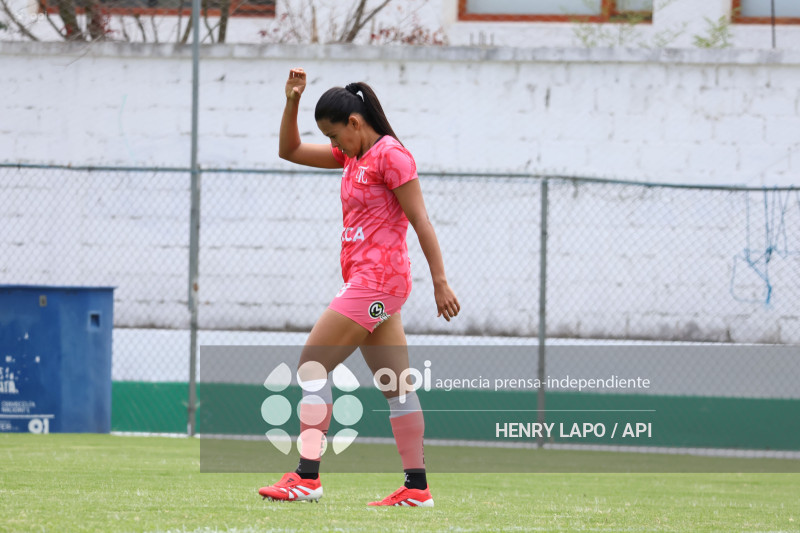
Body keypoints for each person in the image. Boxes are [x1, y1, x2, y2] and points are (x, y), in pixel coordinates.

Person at [258, 68, 460, 508]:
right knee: (396, 385)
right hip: (368, 284)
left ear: (354, 123)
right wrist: (292, 100)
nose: (334, 144)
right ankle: (417, 487)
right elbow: (288, 150)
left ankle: (307, 476)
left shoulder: (392, 156)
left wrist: (440, 282)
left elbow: (421, 220)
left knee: (313, 363)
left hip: (378, 284)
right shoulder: (351, 157)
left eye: (336, 134)